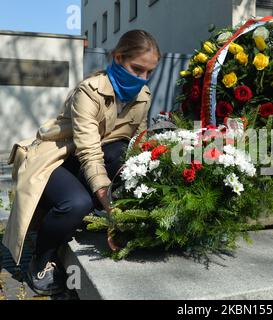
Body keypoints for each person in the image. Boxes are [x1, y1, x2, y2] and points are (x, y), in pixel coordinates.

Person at [1, 29, 161, 296]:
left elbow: (136, 146)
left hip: (91, 160)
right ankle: (40, 259)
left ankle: (85, 217)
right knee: (75, 203)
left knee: (123, 153)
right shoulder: (88, 91)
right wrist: (110, 207)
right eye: (137, 69)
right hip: (57, 158)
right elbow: (88, 149)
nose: (143, 79)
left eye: (149, 73)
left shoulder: (142, 96)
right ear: (118, 58)